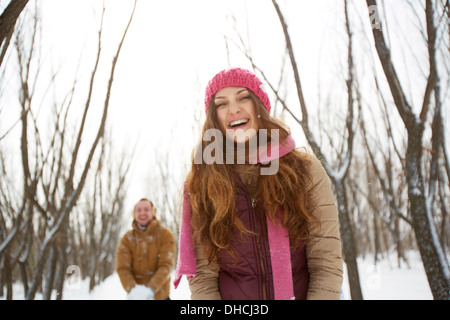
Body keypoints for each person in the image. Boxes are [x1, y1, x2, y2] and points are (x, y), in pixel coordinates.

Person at [173, 67, 343, 300]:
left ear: (259, 106)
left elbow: (326, 264)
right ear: (215, 118)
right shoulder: (204, 181)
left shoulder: (305, 170)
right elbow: (203, 275)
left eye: (243, 97)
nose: (234, 109)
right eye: (221, 104)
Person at [116, 198, 176, 300]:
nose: (142, 213)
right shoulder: (127, 239)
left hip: (160, 296)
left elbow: (166, 265)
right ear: (134, 214)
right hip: (135, 297)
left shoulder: (165, 235)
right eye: (139, 210)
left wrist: (150, 289)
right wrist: (133, 290)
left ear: (153, 212)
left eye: (146, 209)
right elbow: (123, 268)